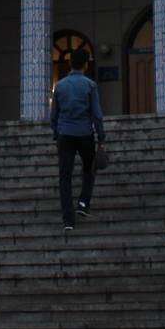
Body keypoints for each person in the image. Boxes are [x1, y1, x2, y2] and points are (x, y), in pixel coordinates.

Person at [47, 47, 105, 231]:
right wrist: (101, 136)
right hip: (85, 134)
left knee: (65, 177)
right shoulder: (90, 85)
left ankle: (68, 221)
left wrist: (56, 132)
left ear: (70, 64)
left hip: (65, 135)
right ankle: (82, 203)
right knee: (89, 170)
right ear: (86, 65)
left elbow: (54, 114)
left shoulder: (60, 86)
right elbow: (96, 114)